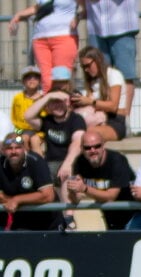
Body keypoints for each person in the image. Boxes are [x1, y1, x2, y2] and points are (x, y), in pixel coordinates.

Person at [24, 77, 87, 231]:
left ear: (67, 103)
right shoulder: (47, 121)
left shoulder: (76, 119)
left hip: (71, 163)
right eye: (53, 102)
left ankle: (68, 219)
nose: (57, 105)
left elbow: (77, 142)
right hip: (49, 165)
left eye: (60, 101)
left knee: (67, 174)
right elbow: (27, 116)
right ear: (48, 105)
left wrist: (67, 163)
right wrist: (48, 96)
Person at [66, 129, 141, 230]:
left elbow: (111, 196)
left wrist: (84, 188)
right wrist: (73, 191)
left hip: (135, 213)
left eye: (97, 146)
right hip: (111, 216)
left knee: (128, 243)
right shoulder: (80, 162)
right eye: (87, 148)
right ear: (82, 149)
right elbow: (76, 199)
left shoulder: (117, 161)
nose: (93, 150)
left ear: (103, 146)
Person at [80, 0, 139, 126]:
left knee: (126, 76)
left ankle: (124, 119)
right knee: (97, 75)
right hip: (96, 26)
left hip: (122, 26)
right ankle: (102, 119)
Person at [8, 0, 80, 93]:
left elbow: (85, 8)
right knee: (46, 81)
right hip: (40, 39)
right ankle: (48, 106)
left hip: (64, 36)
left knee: (61, 79)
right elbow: (38, 8)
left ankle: (64, 106)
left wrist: (78, 17)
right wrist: (18, 15)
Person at [0, 133, 62, 231]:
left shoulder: (36, 161)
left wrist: (17, 200)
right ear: (3, 150)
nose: (13, 151)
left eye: (17, 148)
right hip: (22, 222)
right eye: (9, 148)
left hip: (49, 223)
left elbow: (48, 195)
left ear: (24, 148)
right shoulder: (1, 164)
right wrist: (9, 199)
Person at [72, 46, 128, 141]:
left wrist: (90, 101)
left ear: (97, 61)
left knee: (87, 134)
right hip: (98, 118)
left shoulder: (113, 75)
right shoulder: (92, 81)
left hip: (115, 122)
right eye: (83, 67)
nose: (86, 70)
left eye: (88, 65)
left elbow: (113, 106)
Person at [10, 66, 45, 155]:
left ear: (40, 81)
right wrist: (18, 132)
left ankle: (40, 165)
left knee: (35, 140)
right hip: (21, 130)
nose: (32, 80)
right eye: (28, 78)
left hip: (39, 131)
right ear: (23, 81)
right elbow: (14, 118)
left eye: (35, 78)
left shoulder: (43, 99)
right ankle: (25, 163)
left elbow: (45, 119)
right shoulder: (17, 98)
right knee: (23, 139)